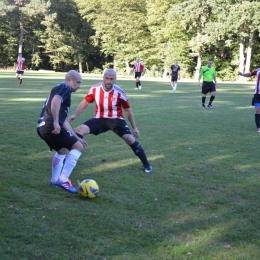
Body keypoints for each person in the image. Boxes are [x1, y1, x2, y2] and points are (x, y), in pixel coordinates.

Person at [68, 68, 153, 173]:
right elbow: (85, 102)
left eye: (111, 79)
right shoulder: (95, 88)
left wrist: (134, 127)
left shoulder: (119, 92)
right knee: (80, 129)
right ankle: (71, 160)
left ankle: (146, 164)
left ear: (115, 79)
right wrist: (74, 115)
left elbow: (127, 110)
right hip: (99, 119)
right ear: (103, 77)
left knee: (130, 139)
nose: (108, 81)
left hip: (116, 120)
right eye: (106, 78)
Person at [37, 70, 87, 194]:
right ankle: (63, 179)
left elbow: (63, 121)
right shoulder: (65, 87)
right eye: (78, 82)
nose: (79, 86)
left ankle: (54, 181)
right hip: (50, 126)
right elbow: (56, 101)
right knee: (79, 147)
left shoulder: (61, 88)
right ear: (69, 80)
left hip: (42, 128)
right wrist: (55, 122)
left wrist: (76, 137)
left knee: (63, 150)